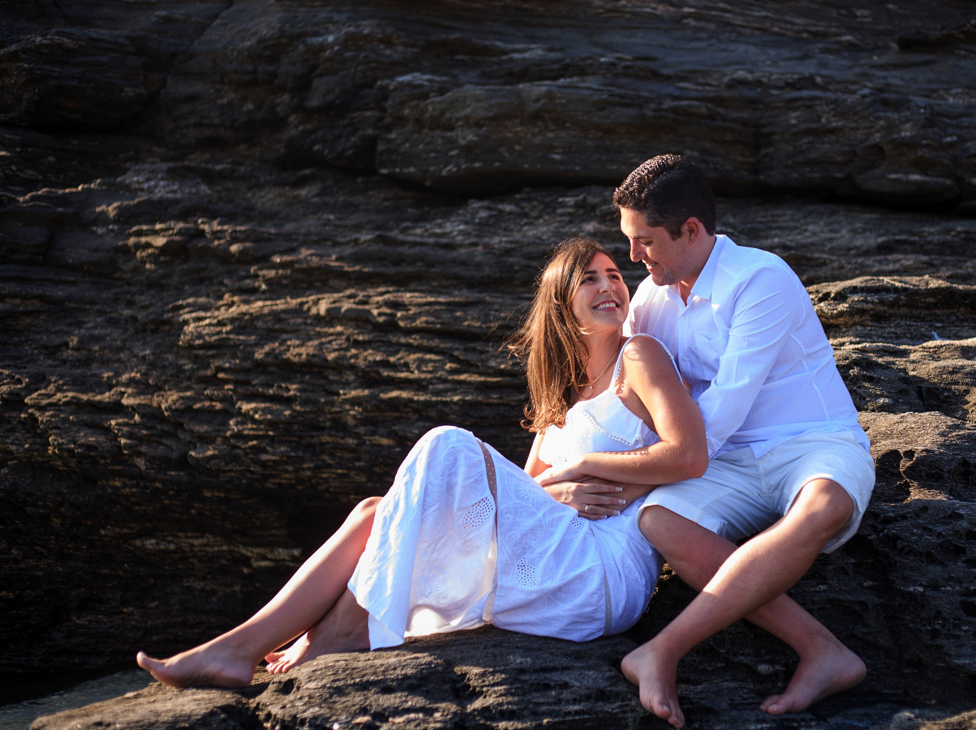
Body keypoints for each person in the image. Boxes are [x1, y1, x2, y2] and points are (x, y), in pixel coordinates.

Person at [136, 237, 707, 689]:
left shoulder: (639, 356)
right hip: (553, 558)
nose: (610, 286)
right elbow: (530, 488)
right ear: (561, 302)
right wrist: (558, 489)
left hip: (599, 573)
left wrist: (586, 468)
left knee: (449, 446)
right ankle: (240, 647)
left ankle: (335, 633)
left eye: (614, 275)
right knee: (373, 512)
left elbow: (688, 454)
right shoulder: (558, 392)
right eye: (590, 279)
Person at [610, 155, 876, 727]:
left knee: (824, 506)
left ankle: (663, 649)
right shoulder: (650, 301)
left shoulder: (760, 278)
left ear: (691, 230)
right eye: (629, 240)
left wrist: (634, 473)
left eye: (645, 241)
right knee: (659, 521)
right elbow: (627, 394)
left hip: (811, 441)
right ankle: (822, 649)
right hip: (723, 461)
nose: (634, 256)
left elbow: (722, 410)